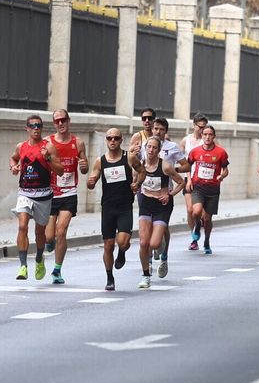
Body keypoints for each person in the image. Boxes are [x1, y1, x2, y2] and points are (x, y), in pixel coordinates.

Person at [132, 136, 186, 288]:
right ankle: (145, 276)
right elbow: (135, 182)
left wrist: (169, 194)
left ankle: (160, 242)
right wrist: (134, 186)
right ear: (145, 148)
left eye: (154, 147)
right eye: (149, 147)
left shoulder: (165, 166)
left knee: (154, 244)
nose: (151, 150)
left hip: (162, 205)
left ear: (159, 150)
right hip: (146, 204)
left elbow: (181, 182)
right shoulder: (140, 165)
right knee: (143, 243)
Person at [43, 109, 87, 285]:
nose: (60, 124)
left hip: (69, 192)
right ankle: (49, 242)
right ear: (54, 124)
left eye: (63, 120)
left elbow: (84, 168)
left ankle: (57, 269)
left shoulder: (79, 143)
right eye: (57, 121)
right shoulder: (47, 142)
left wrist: (84, 166)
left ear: (69, 121)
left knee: (62, 231)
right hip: (50, 192)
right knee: (49, 236)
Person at [10, 115, 57, 280]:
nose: (36, 128)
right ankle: (23, 266)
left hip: (44, 194)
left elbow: (60, 171)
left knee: (39, 232)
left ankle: (38, 258)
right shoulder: (21, 147)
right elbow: (14, 158)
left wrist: (48, 158)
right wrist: (14, 167)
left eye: (39, 125)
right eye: (32, 126)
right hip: (25, 193)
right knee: (22, 226)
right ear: (27, 129)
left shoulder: (48, 147)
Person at [88, 127, 134, 292]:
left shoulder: (128, 157)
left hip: (124, 206)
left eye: (116, 138)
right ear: (106, 141)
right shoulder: (100, 161)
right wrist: (91, 182)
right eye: (109, 138)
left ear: (121, 140)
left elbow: (141, 171)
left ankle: (122, 252)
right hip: (108, 207)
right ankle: (110, 277)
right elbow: (91, 180)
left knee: (122, 241)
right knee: (108, 245)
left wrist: (136, 183)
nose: (112, 141)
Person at [183, 124, 230, 254]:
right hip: (198, 187)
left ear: (214, 136)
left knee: (208, 219)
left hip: (213, 189)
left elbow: (226, 170)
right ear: (202, 136)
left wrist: (222, 175)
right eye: (205, 134)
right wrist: (189, 180)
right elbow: (187, 166)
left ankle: (207, 241)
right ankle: (197, 225)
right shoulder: (195, 151)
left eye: (210, 134)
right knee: (196, 211)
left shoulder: (221, 152)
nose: (207, 137)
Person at [180, 112, 211, 249]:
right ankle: (194, 239)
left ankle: (199, 225)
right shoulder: (185, 141)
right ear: (194, 125)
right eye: (200, 127)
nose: (203, 130)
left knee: (202, 214)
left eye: (205, 127)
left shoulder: (207, 141)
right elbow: (183, 161)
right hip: (189, 178)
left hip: (203, 180)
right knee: (189, 210)